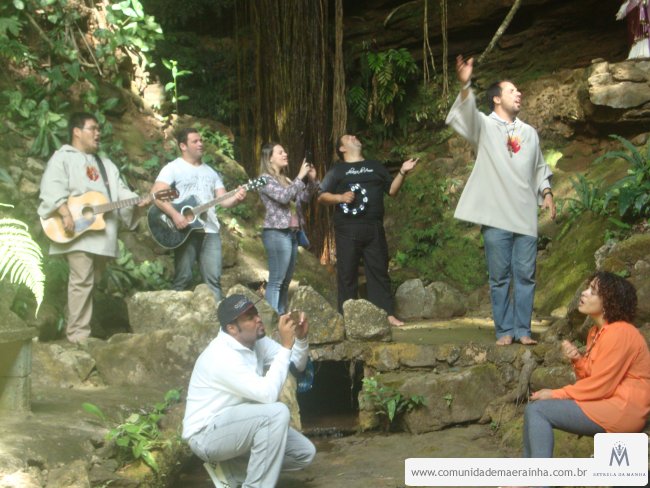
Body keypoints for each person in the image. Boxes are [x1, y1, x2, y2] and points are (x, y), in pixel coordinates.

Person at [445, 55, 556, 346]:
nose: (518, 93)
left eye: (518, 90)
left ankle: (523, 330)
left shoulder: (529, 133)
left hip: (524, 214)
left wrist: (546, 193)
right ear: (496, 99)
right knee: (500, 277)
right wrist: (465, 84)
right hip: (495, 216)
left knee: (526, 275)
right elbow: (466, 116)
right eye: (511, 90)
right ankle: (504, 330)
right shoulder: (485, 126)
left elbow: (538, 167)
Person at [182, 294, 316, 487]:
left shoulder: (256, 342)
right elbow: (268, 395)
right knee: (276, 414)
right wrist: (287, 346)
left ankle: (231, 471)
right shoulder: (222, 356)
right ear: (232, 328)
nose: (258, 319)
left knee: (303, 453)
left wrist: (300, 339)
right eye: (250, 317)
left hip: (239, 424)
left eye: (256, 313)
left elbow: (296, 365)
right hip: (206, 435)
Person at [38, 112, 148, 343]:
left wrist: (139, 201)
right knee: (82, 280)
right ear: (77, 132)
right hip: (77, 230)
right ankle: (78, 335)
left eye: (99, 129)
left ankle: (72, 325)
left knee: (91, 281)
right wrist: (65, 212)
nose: (98, 133)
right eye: (93, 128)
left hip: (101, 232)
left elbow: (120, 192)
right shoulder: (63, 157)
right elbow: (51, 187)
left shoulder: (105, 165)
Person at [523, 271, 650, 458]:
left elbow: (600, 386)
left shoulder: (620, 332)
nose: (584, 293)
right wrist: (578, 360)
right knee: (533, 409)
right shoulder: (596, 332)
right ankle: (529, 474)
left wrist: (555, 394)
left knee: (538, 410)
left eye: (593, 291)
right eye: (587, 288)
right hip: (608, 403)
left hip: (623, 409)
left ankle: (538, 476)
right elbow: (591, 379)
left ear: (608, 302)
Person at [318, 135, 418, 326]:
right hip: (347, 228)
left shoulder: (375, 166)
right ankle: (347, 317)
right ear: (342, 149)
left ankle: (386, 314)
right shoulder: (337, 170)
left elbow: (392, 191)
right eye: (349, 137)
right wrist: (340, 197)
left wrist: (402, 172)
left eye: (354, 136)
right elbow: (321, 196)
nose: (354, 137)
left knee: (379, 270)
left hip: (374, 226)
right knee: (347, 273)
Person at [150, 128, 246, 301]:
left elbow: (224, 200)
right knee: (183, 278)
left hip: (210, 230)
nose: (200, 144)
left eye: (201, 140)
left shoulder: (211, 172)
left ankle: (217, 316)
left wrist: (237, 198)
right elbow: (156, 194)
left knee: (214, 281)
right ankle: (175, 314)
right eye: (195, 141)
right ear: (183, 146)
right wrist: (175, 215)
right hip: (186, 230)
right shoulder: (173, 168)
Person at [258, 142, 319, 314]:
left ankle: (282, 317)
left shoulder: (286, 179)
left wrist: (312, 180)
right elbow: (284, 197)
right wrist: (300, 176)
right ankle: (272, 320)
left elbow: (304, 198)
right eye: (280, 152)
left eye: (285, 151)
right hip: (276, 233)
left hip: (292, 233)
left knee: (286, 281)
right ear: (269, 159)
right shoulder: (264, 179)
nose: (285, 154)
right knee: (277, 280)